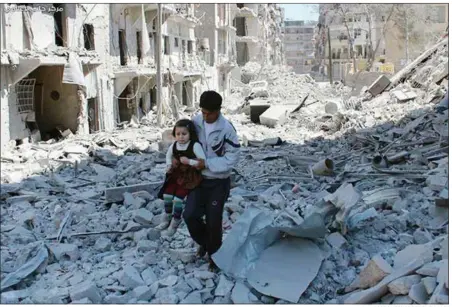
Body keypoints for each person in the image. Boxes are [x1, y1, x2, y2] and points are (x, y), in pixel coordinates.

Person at [182, 90, 240, 272]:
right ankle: (206, 243)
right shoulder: (196, 122)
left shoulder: (227, 129)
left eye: (209, 113)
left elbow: (232, 158)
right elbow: (185, 142)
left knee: (214, 221)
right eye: (203, 112)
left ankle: (215, 257)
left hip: (218, 182)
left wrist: (206, 164)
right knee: (190, 215)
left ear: (218, 111)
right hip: (198, 181)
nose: (205, 116)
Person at [156, 119, 206, 237]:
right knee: (167, 195)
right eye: (178, 134)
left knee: (178, 199)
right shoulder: (174, 145)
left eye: (184, 134)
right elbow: (168, 155)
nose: (181, 137)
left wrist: (189, 161)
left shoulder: (195, 145)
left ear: (190, 134)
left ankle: (175, 221)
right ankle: (167, 217)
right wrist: (169, 165)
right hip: (176, 174)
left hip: (189, 177)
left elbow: (203, 161)